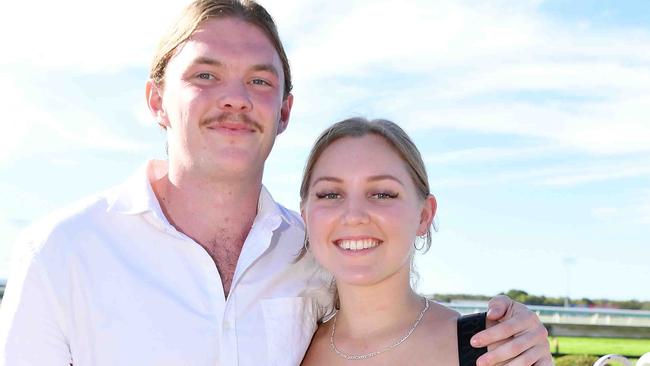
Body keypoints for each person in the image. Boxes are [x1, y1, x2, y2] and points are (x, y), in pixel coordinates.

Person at [0, 1, 549, 365]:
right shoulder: (61, 252)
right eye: (205, 75)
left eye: (259, 80)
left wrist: (517, 330)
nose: (234, 97)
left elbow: (393, 317)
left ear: (284, 110)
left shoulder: (313, 252)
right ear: (155, 101)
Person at [299, 118, 552, 365]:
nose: (353, 216)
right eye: (330, 194)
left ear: (424, 215)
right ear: (305, 216)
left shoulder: (494, 348)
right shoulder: (290, 347)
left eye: (382, 194)